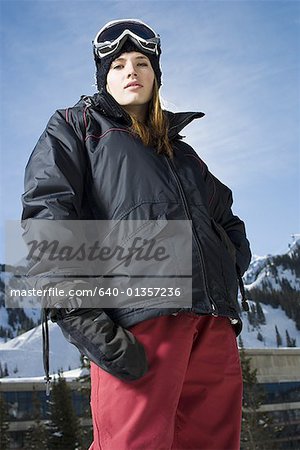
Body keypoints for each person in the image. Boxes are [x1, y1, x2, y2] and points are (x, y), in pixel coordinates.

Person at [21, 18, 251, 450]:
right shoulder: (76, 128)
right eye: (118, 65)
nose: (131, 71)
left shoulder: (181, 152)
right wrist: (83, 318)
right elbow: (48, 220)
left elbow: (229, 222)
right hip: (138, 324)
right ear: (104, 77)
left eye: (142, 62)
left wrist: (224, 267)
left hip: (211, 325)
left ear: (156, 75)